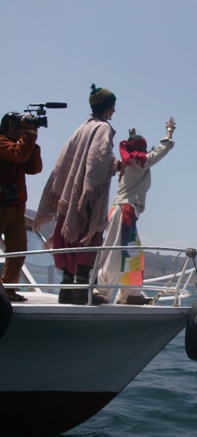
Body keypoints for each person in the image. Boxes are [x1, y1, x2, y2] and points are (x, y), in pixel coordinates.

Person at [33, 84, 120, 305]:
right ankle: (82, 291)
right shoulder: (103, 128)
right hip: (87, 197)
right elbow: (98, 160)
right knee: (88, 237)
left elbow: (64, 161)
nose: (115, 110)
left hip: (69, 195)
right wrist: (115, 166)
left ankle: (66, 288)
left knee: (66, 235)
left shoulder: (81, 127)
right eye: (113, 106)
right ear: (106, 107)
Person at [96, 117, 176, 304]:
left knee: (133, 254)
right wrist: (169, 133)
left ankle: (130, 294)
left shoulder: (130, 163)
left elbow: (135, 152)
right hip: (124, 211)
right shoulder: (139, 163)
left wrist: (131, 139)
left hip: (124, 211)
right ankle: (102, 291)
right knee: (116, 253)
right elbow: (160, 151)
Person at [0, 112, 43, 301]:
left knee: (18, 249)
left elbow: (34, 168)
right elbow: (18, 155)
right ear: (9, 125)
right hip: (1, 206)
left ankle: (7, 288)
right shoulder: (1, 142)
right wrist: (29, 135)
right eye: (19, 125)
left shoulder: (21, 145)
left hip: (15, 207)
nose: (21, 129)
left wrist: (31, 136)